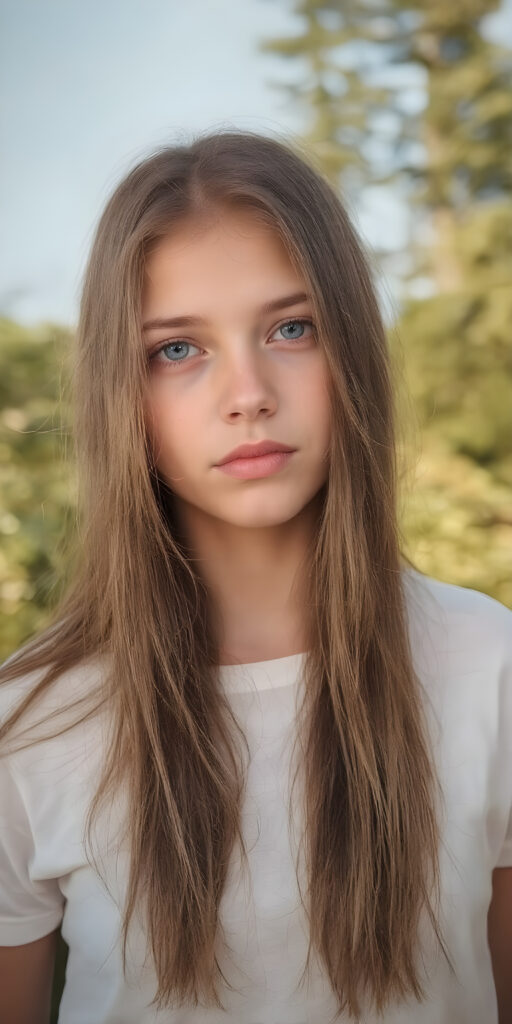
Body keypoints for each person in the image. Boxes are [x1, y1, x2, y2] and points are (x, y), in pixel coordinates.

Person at [0, 129, 511, 1024]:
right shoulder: (32, 721)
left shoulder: (489, 662)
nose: (249, 392)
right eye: (177, 350)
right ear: (122, 393)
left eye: (291, 328)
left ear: (350, 347)